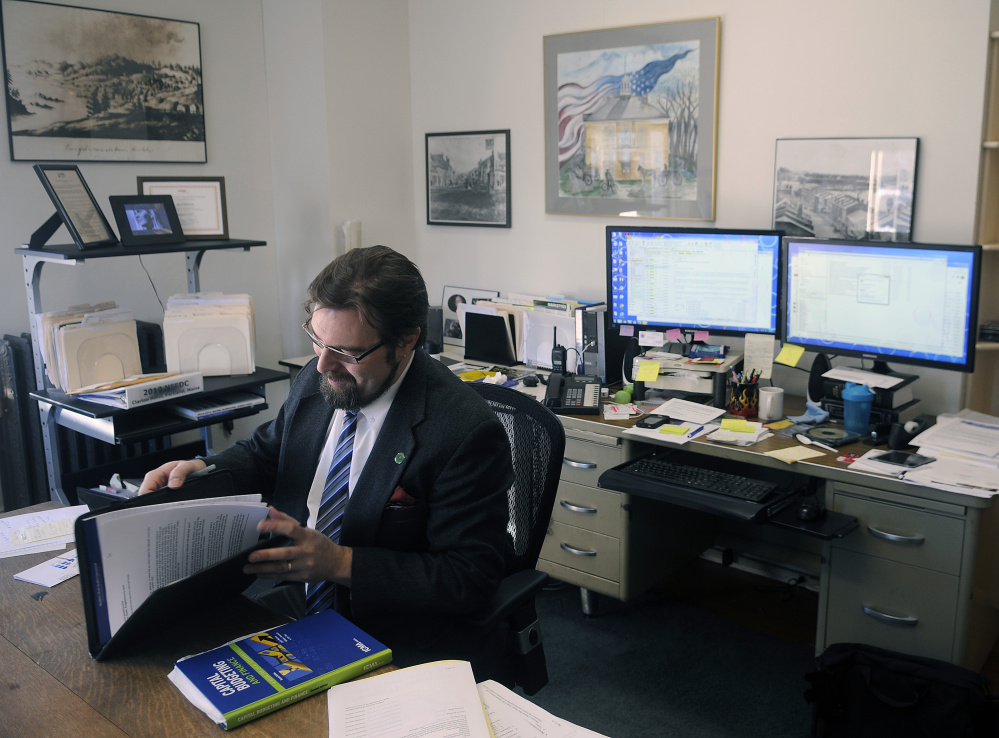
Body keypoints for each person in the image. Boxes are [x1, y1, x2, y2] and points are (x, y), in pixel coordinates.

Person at [138, 245, 514, 674]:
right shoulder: (318, 379)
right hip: (292, 602)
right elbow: (267, 454)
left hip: (394, 631)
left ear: (407, 340)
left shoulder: (463, 430)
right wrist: (204, 470)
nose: (321, 365)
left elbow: (468, 577)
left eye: (347, 352)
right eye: (317, 339)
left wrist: (341, 563)